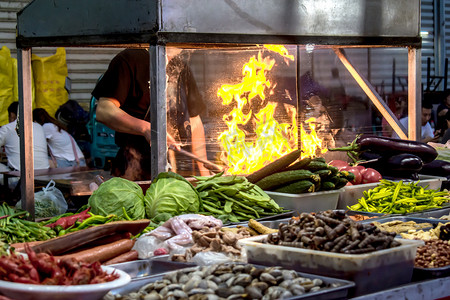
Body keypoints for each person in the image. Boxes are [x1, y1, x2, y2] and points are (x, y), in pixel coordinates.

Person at [92, 48, 209, 181]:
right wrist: (147, 129)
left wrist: (205, 172)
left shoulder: (181, 67)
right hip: (134, 171)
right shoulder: (130, 59)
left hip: (179, 175)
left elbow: (194, 122)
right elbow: (104, 111)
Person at [0, 102, 50, 171]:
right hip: (43, 173)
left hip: (19, 175)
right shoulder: (39, 127)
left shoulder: (7, 128)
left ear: (12, 115)